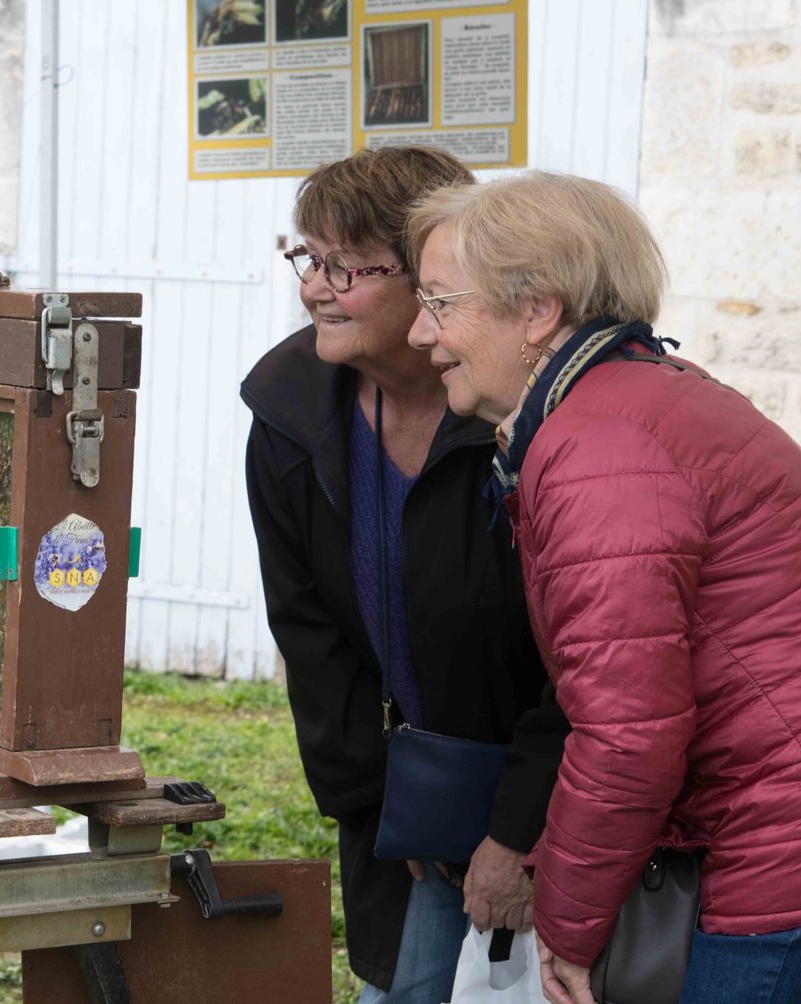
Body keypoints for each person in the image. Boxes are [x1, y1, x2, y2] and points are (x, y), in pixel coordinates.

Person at [406, 171, 801, 1004]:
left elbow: (627, 735)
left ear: (537, 309)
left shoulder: (597, 446)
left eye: (440, 302)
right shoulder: (640, 396)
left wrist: (568, 933)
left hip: (790, 846)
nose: (423, 334)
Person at [240, 147, 567, 1002]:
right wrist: (385, 806)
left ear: (431, 278)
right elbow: (308, 634)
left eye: (346, 266)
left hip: (560, 792)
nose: (315, 286)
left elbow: (584, 661)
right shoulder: (288, 420)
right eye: (307, 258)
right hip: (407, 809)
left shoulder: (530, 418)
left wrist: (520, 824)